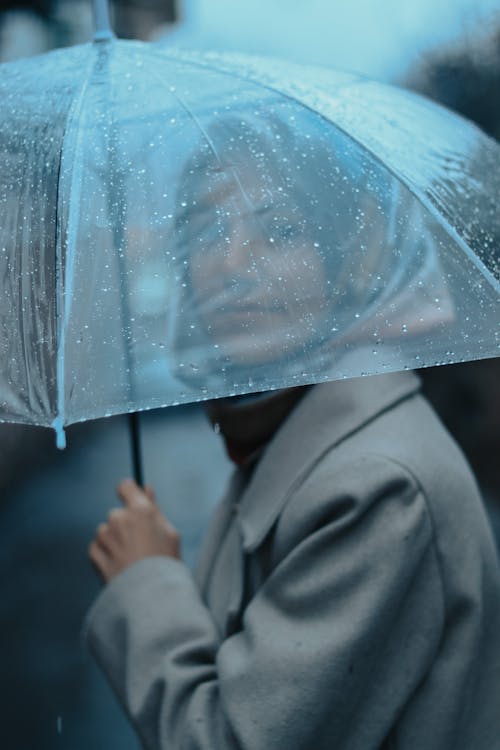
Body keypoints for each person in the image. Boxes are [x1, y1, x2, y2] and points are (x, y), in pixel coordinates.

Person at [85, 111, 500, 749]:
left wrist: (146, 584)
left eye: (279, 231)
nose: (232, 264)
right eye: (207, 231)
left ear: (348, 265)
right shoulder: (283, 437)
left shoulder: (375, 487)